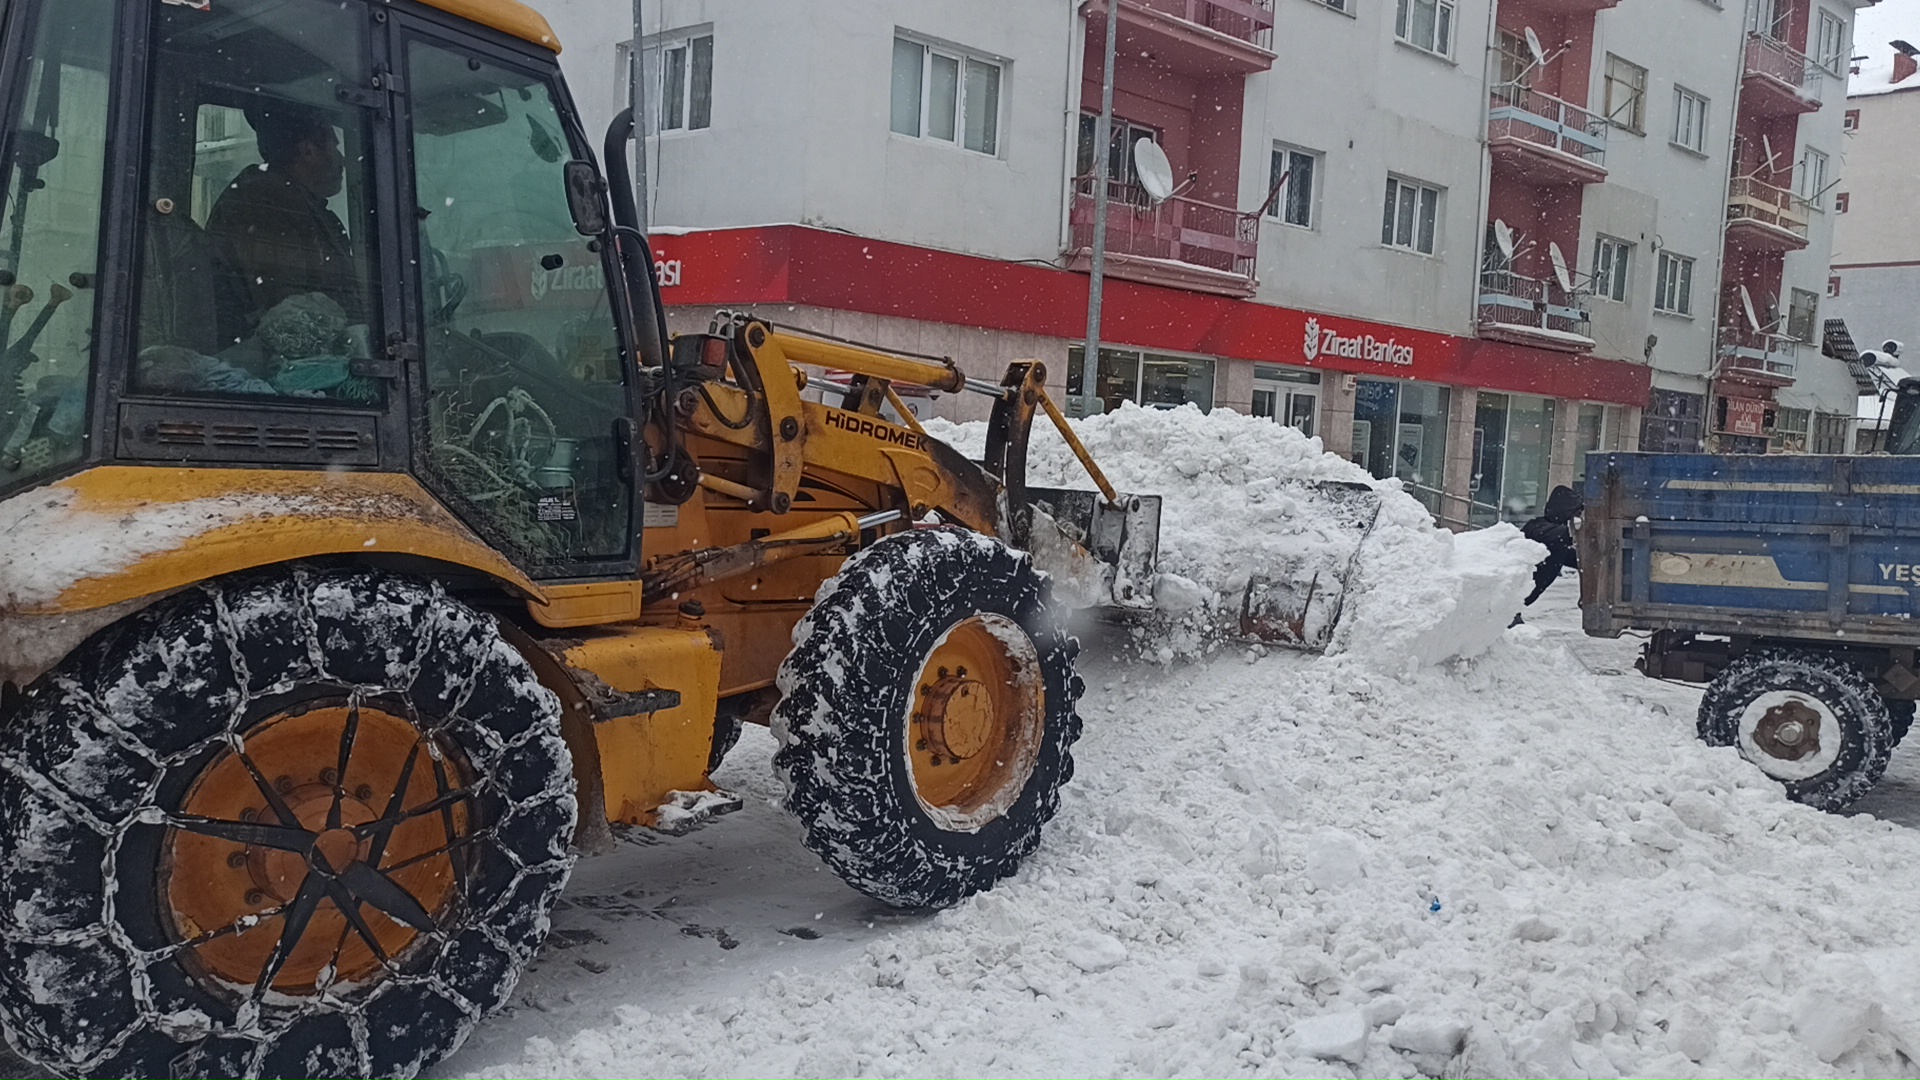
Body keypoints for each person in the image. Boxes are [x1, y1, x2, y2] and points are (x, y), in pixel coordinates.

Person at [205, 102, 363, 346]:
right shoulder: (265, 205)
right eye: (335, 147)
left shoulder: (296, 204)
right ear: (308, 150)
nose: (342, 160)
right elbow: (286, 316)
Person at [1519, 485, 1583, 615]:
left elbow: (1578, 560)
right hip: (1504, 597)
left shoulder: (1559, 546)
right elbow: (1555, 535)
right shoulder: (1536, 527)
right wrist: (1579, 530)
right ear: (1565, 511)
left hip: (1515, 603)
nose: (1576, 518)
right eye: (1575, 514)